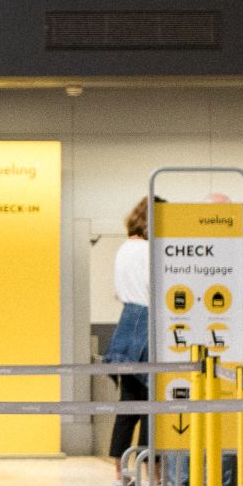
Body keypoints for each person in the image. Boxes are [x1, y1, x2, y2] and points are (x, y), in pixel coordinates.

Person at [104, 199, 151, 464]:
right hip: (148, 324)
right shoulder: (150, 251)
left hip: (126, 325)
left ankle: (119, 473)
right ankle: (153, 474)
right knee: (151, 406)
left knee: (128, 404)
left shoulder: (124, 249)